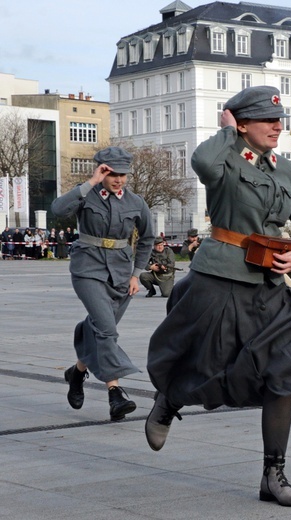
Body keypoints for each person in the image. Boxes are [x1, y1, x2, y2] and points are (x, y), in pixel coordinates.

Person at [145, 86, 291, 507]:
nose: (277, 127)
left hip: (269, 283)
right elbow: (201, 160)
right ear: (241, 123)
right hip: (220, 276)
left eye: (280, 121)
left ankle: (273, 475)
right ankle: (169, 399)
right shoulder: (225, 161)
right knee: (206, 362)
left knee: (284, 371)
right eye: (266, 120)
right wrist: (227, 129)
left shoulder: (287, 168)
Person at [51, 146, 154, 421]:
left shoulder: (136, 202)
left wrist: (137, 274)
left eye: (123, 174)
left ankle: (77, 373)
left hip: (121, 274)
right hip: (88, 268)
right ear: (101, 171)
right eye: (111, 173)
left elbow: (147, 239)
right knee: (106, 329)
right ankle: (115, 392)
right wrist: (91, 183)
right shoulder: (87, 194)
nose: (118, 179)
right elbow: (58, 208)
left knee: (99, 328)